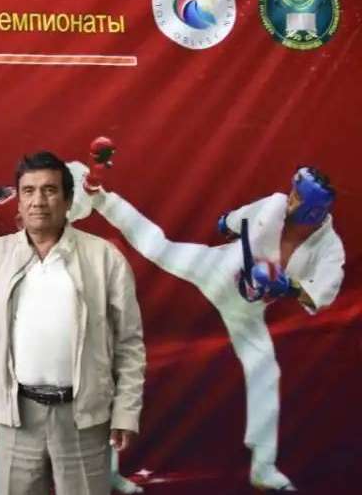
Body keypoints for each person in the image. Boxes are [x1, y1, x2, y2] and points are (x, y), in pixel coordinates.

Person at [72, 140, 342, 491]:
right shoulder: (275, 205)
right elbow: (236, 220)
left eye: (297, 198)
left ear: (313, 211)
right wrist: (226, 222)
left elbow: (320, 293)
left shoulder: (330, 248)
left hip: (246, 309)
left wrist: (288, 287)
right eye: (292, 193)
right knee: (158, 246)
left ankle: (264, 469)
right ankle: (100, 196)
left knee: (266, 371)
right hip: (216, 267)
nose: (289, 198)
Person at [0, 152, 145, 495]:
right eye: (28, 191)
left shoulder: (103, 258)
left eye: (49, 190)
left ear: (68, 200)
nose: (37, 201)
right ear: (18, 199)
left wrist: (125, 413)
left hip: (84, 415)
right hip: (16, 416)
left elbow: (129, 344)